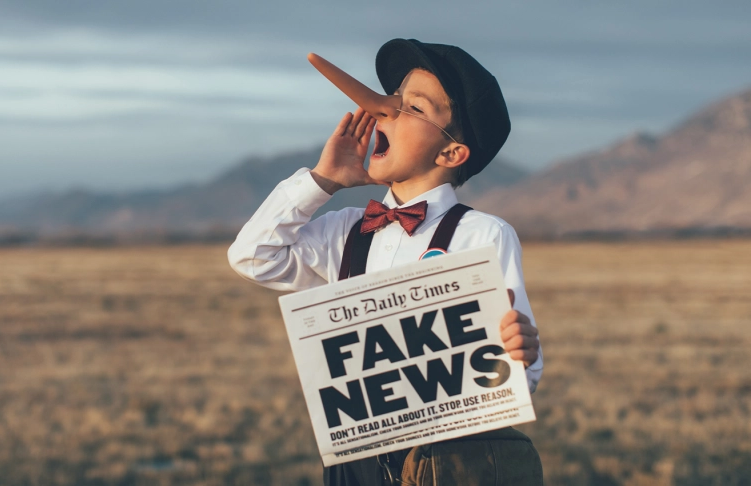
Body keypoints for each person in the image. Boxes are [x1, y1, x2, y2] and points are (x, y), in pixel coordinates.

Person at [228, 38, 543, 485]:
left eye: (413, 108)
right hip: (352, 467)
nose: (385, 112)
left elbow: (520, 378)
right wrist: (321, 182)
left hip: (444, 465)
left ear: (451, 153)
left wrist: (519, 354)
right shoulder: (344, 231)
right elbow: (252, 256)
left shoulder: (484, 235)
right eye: (393, 100)